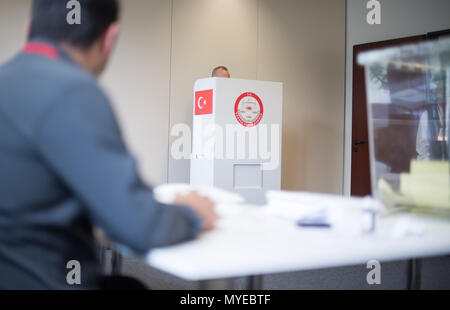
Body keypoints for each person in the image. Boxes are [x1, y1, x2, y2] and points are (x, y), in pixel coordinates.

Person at [0, 0, 218, 289]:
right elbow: (141, 228)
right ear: (110, 37)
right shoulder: (72, 91)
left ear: (30, 30)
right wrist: (191, 212)